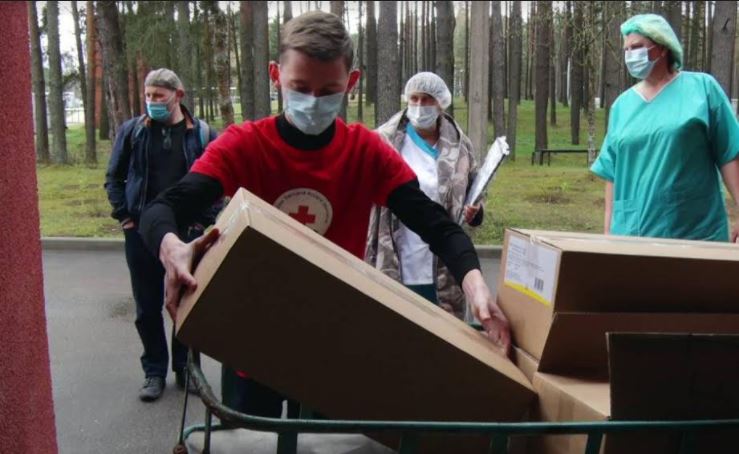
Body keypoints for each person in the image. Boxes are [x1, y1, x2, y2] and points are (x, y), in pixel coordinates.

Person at [138, 11, 511, 418]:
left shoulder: (366, 153)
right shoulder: (245, 145)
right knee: (251, 441)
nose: (313, 102)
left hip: (334, 346)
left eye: (329, 90)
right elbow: (162, 209)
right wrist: (171, 247)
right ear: (276, 75)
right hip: (253, 344)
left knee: (329, 442)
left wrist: (476, 288)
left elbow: (438, 227)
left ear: (351, 83)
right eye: (300, 87)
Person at [105, 68, 219, 402]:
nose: (152, 101)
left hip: (186, 234)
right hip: (141, 234)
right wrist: (126, 218)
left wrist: (200, 224)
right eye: (148, 95)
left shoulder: (202, 135)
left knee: (186, 303)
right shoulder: (133, 132)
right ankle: (154, 371)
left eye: (159, 96)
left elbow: (217, 185)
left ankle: (185, 369)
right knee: (147, 307)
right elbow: (114, 178)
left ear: (178, 95)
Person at [591, 14, 739, 242]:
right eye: (626, 49)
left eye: (637, 47)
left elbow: (730, 154)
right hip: (631, 234)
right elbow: (612, 173)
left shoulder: (702, 89)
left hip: (694, 232)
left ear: (662, 48)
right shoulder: (622, 106)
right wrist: (608, 235)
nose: (630, 55)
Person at [366, 72, 483, 320]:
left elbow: (475, 193)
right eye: (414, 98)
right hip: (395, 258)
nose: (419, 105)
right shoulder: (384, 141)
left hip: (443, 265)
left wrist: (476, 212)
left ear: (441, 102)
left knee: (442, 332)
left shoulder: (461, 146)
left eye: (427, 99)